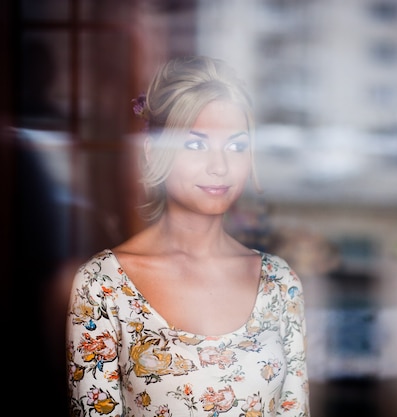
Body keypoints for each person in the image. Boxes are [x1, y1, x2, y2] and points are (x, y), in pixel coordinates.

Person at [65, 55, 310, 417]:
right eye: (195, 144)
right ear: (153, 151)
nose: (219, 166)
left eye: (237, 146)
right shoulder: (102, 285)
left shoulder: (280, 283)